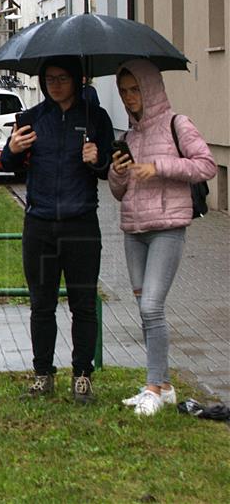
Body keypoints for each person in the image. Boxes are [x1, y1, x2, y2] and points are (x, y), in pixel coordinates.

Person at [1, 56, 114, 403]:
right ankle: (42, 374)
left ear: (78, 80)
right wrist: (12, 150)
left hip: (81, 223)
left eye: (62, 78)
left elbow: (108, 169)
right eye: (49, 78)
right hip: (40, 223)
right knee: (41, 305)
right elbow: (9, 164)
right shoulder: (33, 119)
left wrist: (98, 160)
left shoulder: (96, 118)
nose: (54, 84)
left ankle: (82, 375)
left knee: (83, 305)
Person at [109, 59, 217, 416]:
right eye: (124, 91)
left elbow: (206, 165)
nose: (129, 98)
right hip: (134, 231)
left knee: (152, 306)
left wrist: (160, 167)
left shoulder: (177, 124)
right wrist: (119, 172)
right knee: (144, 308)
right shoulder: (128, 135)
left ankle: (153, 388)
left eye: (135, 89)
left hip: (168, 229)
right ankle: (165, 385)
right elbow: (118, 192)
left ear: (151, 88)